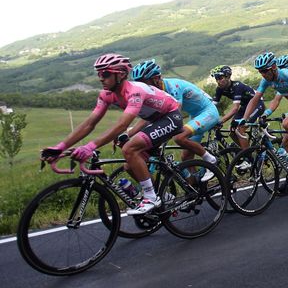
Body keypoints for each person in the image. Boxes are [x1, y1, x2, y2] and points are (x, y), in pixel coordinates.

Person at [41, 53, 183, 214]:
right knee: (129, 165)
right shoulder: (106, 95)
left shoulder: (135, 91)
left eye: (105, 74)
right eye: (99, 74)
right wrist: (59, 148)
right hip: (154, 119)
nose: (101, 78)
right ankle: (164, 196)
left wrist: (90, 147)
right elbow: (90, 123)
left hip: (171, 116)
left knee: (130, 148)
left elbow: (123, 124)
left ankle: (151, 198)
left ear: (121, 74)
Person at [130, 59, 218, 181]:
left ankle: (211, 161)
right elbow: (148, 118)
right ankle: (196, 187)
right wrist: (129, 133)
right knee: (186, 157)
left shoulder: (172, 87)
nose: (141, 87)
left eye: (144, 83)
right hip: (195, 116)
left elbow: (175, 115)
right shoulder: (153, 93)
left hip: (208, 112)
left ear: (156, 78)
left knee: (179, 137)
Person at [209, 65, 263, 155]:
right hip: (244, 107)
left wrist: (221, 121)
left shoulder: (237, 86)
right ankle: (246, 151)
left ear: (228, 76)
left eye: (220, 78)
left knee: (240, 129)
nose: (218, 81)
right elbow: (212, 107)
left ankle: (247, 157)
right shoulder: (219, 89)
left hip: (256, 104)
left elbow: (235, 108)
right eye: (216, 78)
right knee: (232, 131)